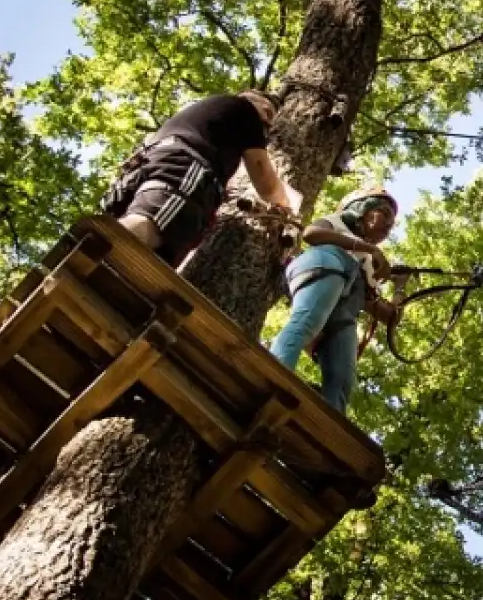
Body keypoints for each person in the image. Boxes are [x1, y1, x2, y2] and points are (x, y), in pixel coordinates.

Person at [101, 90, 297, 264]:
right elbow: (265, 180)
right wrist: (287, 204)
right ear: (249, 97)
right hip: (182, 167)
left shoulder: (203, 119)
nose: (267, 124)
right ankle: (98, 252)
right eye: (267, 112)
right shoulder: (244, 109)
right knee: (152, 223)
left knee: (152, 245)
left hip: (148, 166)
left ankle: (95, 257)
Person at [269, 189, 402, 414]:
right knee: (306, 323)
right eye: (385, 213)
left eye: (392, 221)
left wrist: (400, 287)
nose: (389, 225)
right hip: (325, 265)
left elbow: (389, 316)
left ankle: (329, 423)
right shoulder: (338, 223)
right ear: (362, 208)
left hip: (347, 303)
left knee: (343, 377)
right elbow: (312, 233)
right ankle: (272, 375)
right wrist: (368, 248)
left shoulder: (368, 264)